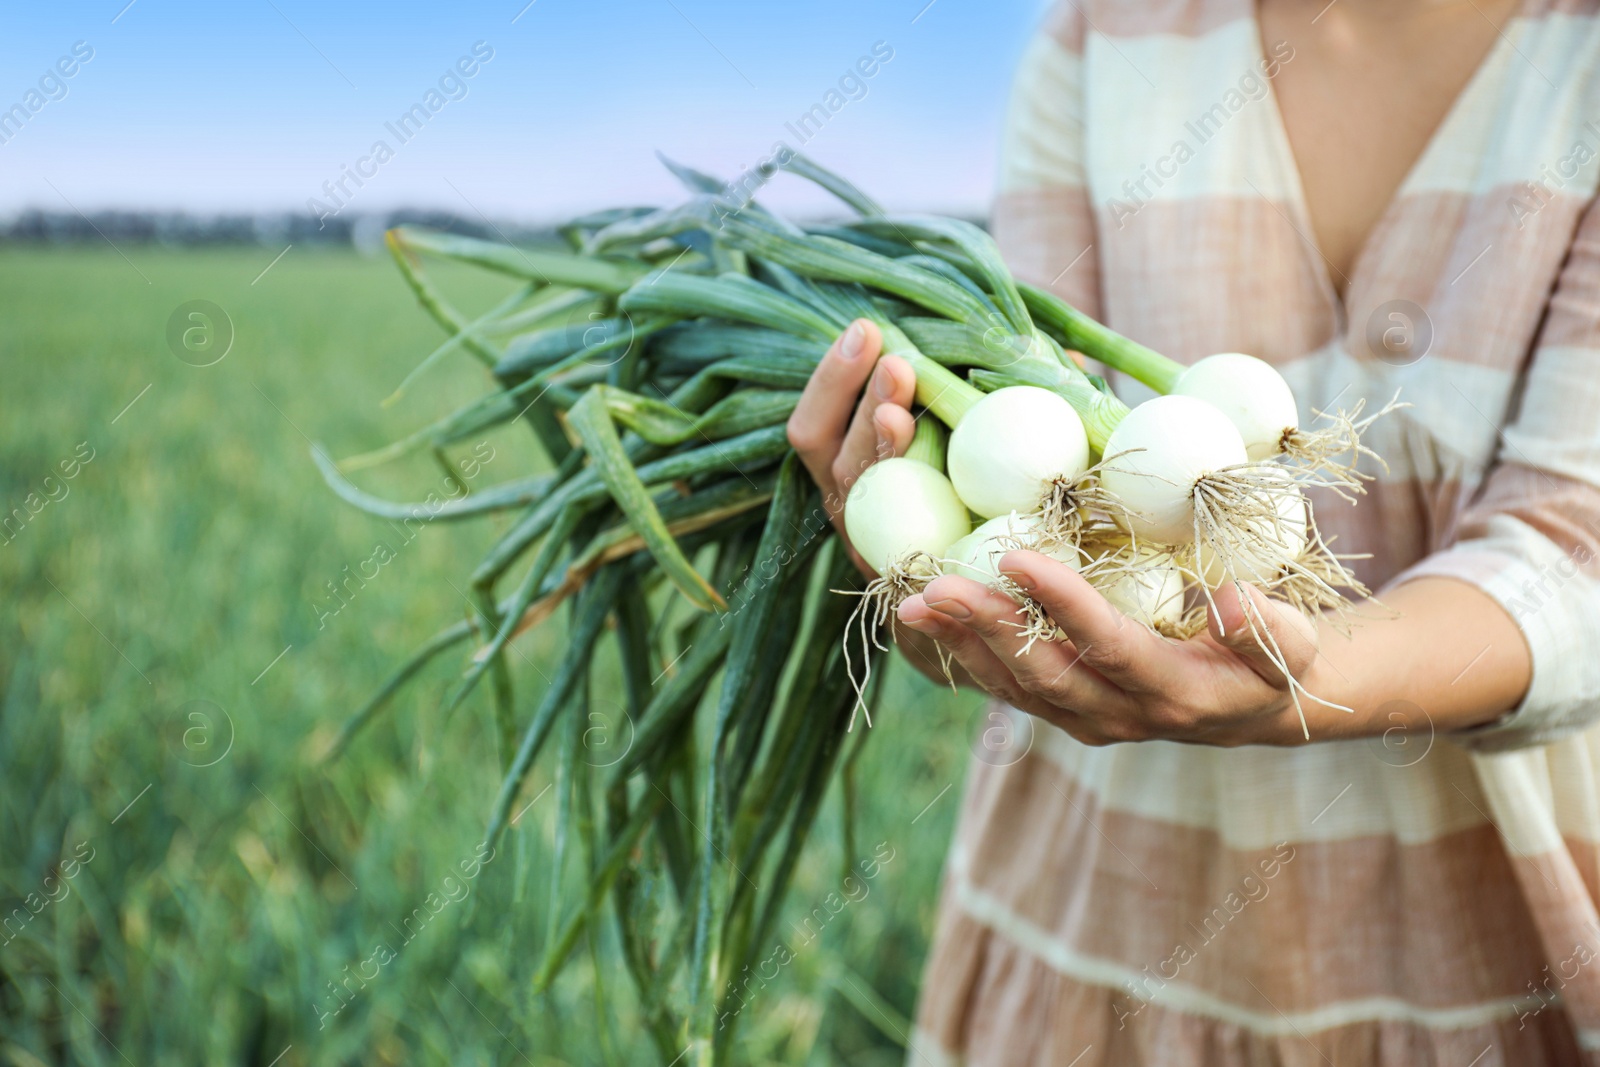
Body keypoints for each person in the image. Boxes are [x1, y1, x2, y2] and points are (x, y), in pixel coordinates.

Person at [785, 0, 1600, 1062]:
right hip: (1097, 904)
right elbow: (1020, 450)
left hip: (1491, 919)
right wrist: (923, 566)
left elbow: (1575, 543)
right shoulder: (1096, 35)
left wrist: (1310, 672)